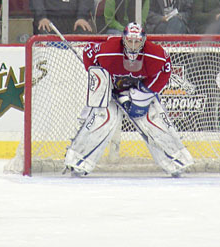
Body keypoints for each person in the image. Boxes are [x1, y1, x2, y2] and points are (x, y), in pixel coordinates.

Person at [64, 22, 194, 176]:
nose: (133, 45)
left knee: (154, 119)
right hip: (111, 92)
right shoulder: (109, 50)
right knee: (103, 118)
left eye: (137, 41)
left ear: (144, 40)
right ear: (123, 39)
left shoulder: (155, 54)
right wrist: (101, 80)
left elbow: (166, 69)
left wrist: (144, 93)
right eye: (129, 41)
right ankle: (78, 162)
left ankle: (176, 162)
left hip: (138, 91)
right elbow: (88, 53)